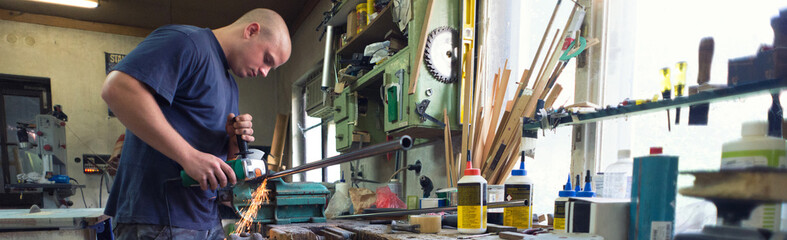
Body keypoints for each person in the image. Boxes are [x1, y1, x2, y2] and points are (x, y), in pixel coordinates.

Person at [101, 8, 291, 239]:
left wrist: (233, 141)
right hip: (159, 220)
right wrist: (188, 157)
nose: (264, 72)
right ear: (251, 31)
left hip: (204, 219)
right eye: (267, 60)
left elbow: (219, 167)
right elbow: (117, 88)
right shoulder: (188, 42)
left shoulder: (230, 84)